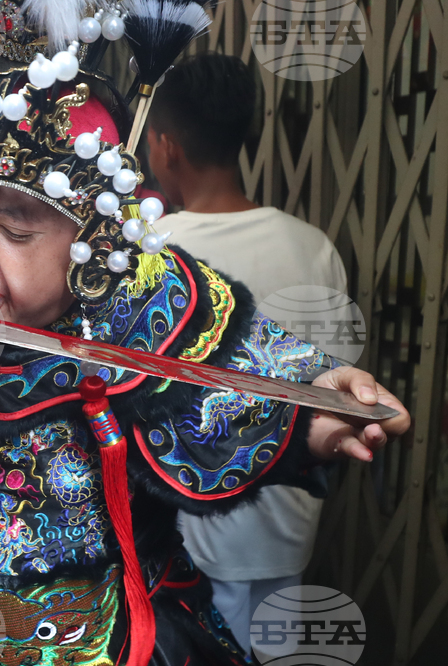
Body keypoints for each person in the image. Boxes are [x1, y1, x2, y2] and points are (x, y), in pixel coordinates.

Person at [0, 5, 410, 665]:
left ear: (89, 237)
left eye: (18, 229)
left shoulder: (137, 286)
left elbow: (237, 386)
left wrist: (316, 415)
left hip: (117, 635)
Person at [147, 53, 348, 654]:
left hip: (190, 535)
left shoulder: (155, 253)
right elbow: (332, 394)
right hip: (289, 527)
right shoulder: (315, 249)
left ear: (165, 146)